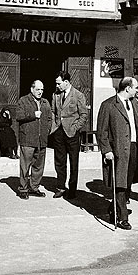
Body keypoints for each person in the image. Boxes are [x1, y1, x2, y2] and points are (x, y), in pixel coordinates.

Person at [96, 77, 138, 230]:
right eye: (135, 88)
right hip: (118, 151)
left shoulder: (134, 104)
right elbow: (101, 131)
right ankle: (122, 217)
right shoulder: (108, 105)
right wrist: (106, 150)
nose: (137, 90)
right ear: (127, 88)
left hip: (133, 148)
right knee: (119, 184)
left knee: (127, 183)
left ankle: (115, 208)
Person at [50, 71, 89, 200]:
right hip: (59, 132)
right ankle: (60, 187)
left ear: (66, 82)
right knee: (60, 162)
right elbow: (53, 111)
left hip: (72, 133)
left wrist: (76, 128)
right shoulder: (55, 95)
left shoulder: (78, 95)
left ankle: (72, 189)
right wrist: (54, 127)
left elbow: (84, 115)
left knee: (73, 162)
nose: (57, 86)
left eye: (59, 83)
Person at [16, 80, 52, 199]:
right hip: (28, 139)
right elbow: (19, 116)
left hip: (41, 140)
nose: (40, 92)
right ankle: (23, 188)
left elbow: (49, 119)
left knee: (38, 166)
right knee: (25, 166)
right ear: (32, 89)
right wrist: (33, 114)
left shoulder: (45, 102)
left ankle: (34, 187)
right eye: (37, 89)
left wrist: (47, 131)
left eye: (42, 90)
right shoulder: (23, 101)